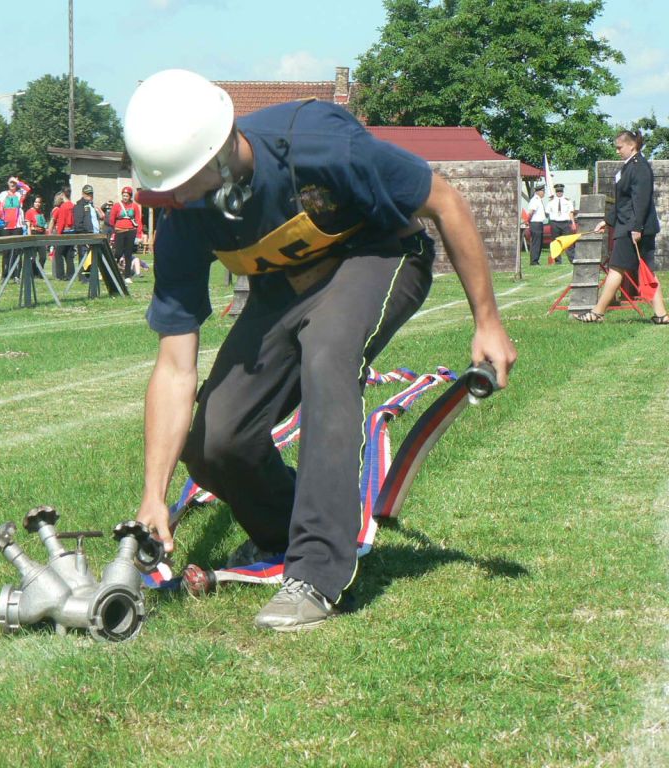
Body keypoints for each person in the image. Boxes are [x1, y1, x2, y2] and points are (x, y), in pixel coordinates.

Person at [124, 69, 516, 631]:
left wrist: (488, 322)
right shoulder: (183, 218)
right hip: (284, 287)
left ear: (219, 152)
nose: (176, 199)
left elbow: (446, 202)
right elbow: (174, 365)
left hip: (381, 254)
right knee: (215, 439)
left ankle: (316, 572)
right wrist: (152, 495)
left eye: (185, 183)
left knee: (328, 357)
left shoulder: (320, 145)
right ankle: (284, 537)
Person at [575, 129, 668, 324]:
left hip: (633, 228)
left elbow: (641, 201)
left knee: (617, 269)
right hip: (628, 226)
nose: (617, 151)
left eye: (620, 147)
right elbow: (622, 202)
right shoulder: (628, 167)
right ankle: (662, 315)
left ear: (632, 145)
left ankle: (597, 312)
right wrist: (607, 221)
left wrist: (637, 228)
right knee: (646, 271)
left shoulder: (639, 167)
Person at [0, 176, 31, 280]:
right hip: (6, 227)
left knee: (17, 251)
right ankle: (5, 274)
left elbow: (28, 189)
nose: (12, 184)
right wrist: (1, 218)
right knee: (6, 252)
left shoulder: (19, 193)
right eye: (11, 182)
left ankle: (17, 275)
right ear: (7, 183)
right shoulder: (3, 194)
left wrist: (18, 182)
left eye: (14, 183)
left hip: (18, 226)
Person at [109, 186, 144, 282]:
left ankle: (127, 276)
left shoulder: (134, 206)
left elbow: (138, 220)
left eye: (127, 196)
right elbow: (111, 220)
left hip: (131, 231)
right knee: (118, 252)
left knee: (128, 254)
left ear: (130, 196)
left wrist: (139, 234)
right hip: (119, 231)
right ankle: (114, 271)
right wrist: (114, 230)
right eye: (123, 195)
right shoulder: (117, 206)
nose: (125, 197)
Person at [73, 184, 101, 280]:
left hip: (94, 235)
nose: (90, 195)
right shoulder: (79, 206)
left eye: (91, 194)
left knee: (92, 257)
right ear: (83, 193)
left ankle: (91, 276)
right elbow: (78, 224)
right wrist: (85, 236)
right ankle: (83, 278)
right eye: (87, 194)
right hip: (85, 235)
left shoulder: (92, 205)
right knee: (84, 256)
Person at [49, 186, 76, 280]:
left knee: (58, 254)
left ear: (63, 194)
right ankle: (71, 274)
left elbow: (61, 222)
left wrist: (58, 235)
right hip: (72, 231)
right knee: (69, 254)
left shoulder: (63, 207)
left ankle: (61, 275)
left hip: (65, 231)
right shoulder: (73, 205)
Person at [548, 183, 576, 264]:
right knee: (556, 242)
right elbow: (548, 212)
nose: (559, 193)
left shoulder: (567, 200)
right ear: (556, 192)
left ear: (563, 191)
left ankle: (572, 259)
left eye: (560, 191)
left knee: (568, 242)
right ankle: (558, 261)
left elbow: (571, 213)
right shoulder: (551, 201)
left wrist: (573, 222)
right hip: (555, 223)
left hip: (565, 223)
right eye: (557, 191)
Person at [525, 182, 548, 266]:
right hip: (535, 223)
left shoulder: (539, 200)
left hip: (539, 223)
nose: (544, 193)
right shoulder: (535, 200)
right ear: (539, 191)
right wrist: (528, 221)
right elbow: (531, 212)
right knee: (536, 242)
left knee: (539, 243)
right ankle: (534, 261)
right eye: (543, 191)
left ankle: (536, 260)